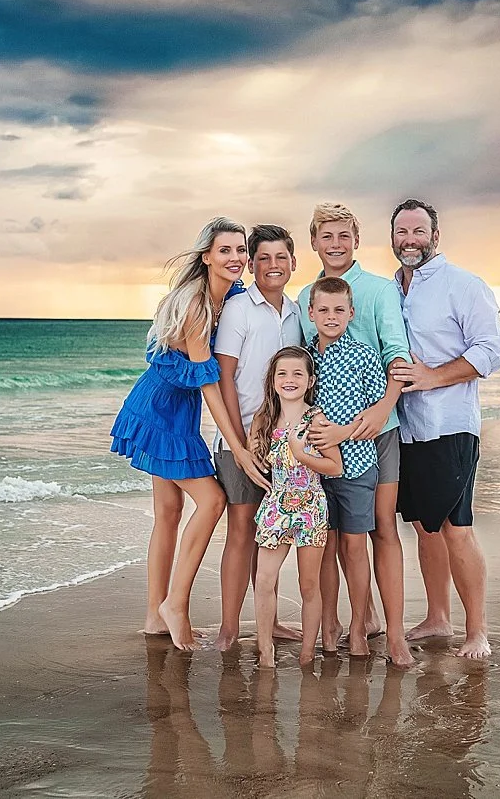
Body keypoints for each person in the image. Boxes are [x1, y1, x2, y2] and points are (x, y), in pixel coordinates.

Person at [110, 217, 267, 651]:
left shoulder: (229, 295)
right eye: (225, 250)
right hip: (161, 411)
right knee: (212, 501)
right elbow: (209, 385)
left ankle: (153, 616)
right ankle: (175, 605)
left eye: (241, 250)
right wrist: (237, 447)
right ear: (206, 257)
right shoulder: (197, 306)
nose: (235, 258)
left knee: (168, 511)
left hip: (173, 409)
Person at [387, 199, 500, 659]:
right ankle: (438, 617)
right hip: (407, 428)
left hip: (451, 426)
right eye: (402, 232)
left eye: (419, 231)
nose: (410, 240)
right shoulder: (392, 290)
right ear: (392, 237)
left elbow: (492, 349)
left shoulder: (464, 285)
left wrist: (434, 376)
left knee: (457, 528)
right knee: (425, 527)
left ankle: (477, 631)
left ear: (435, 236)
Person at [298, 202, 414, 666]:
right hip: (324, 438)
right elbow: (301, 363)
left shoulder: (381, 290)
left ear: (357, 240)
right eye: (326, 236)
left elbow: (397, 354)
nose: (336, 244)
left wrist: (383, 410)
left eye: (344, 235)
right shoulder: (305, 296)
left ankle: (395, 634)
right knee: (329, 534)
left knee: (380, 527)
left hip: (377, 430)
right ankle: (349, 622)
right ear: (314, 242)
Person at [212, 225, 305, 652]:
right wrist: (240, 442)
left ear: (293, 262)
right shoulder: (238, 309)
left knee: (272, 534)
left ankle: (270, 622)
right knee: (241, 530)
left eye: (281, 257)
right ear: (251, 264)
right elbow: (224, 377)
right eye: (263, 258)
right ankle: (229, 629)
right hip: (240, 438)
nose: (273, 265)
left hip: (284, 442)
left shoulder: (297, 312)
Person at [305, 276, 386, 656]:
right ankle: (329, 623)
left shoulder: (364, 356)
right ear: (311, 313)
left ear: (351, 313)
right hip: (315, 471)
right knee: (324, 548)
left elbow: (378, 414)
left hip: (356, 466)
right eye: (323, 309)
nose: (331, 316)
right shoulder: (304, 358)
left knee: (354, 546)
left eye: (339, 310)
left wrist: (342, 433)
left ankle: (358, 626)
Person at [250, 346, 342, 667]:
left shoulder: (315, 419)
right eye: (282, 374)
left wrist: (301, 454)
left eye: (297, 374)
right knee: (264, 579)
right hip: (276, 506)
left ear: (310, 380)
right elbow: (256, 459)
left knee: (309, 584)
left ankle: (307, 653)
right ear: (273, 380)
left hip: (310, 507)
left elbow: (335, 466)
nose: (289, 380)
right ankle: (265, 651)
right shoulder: (264, 418)